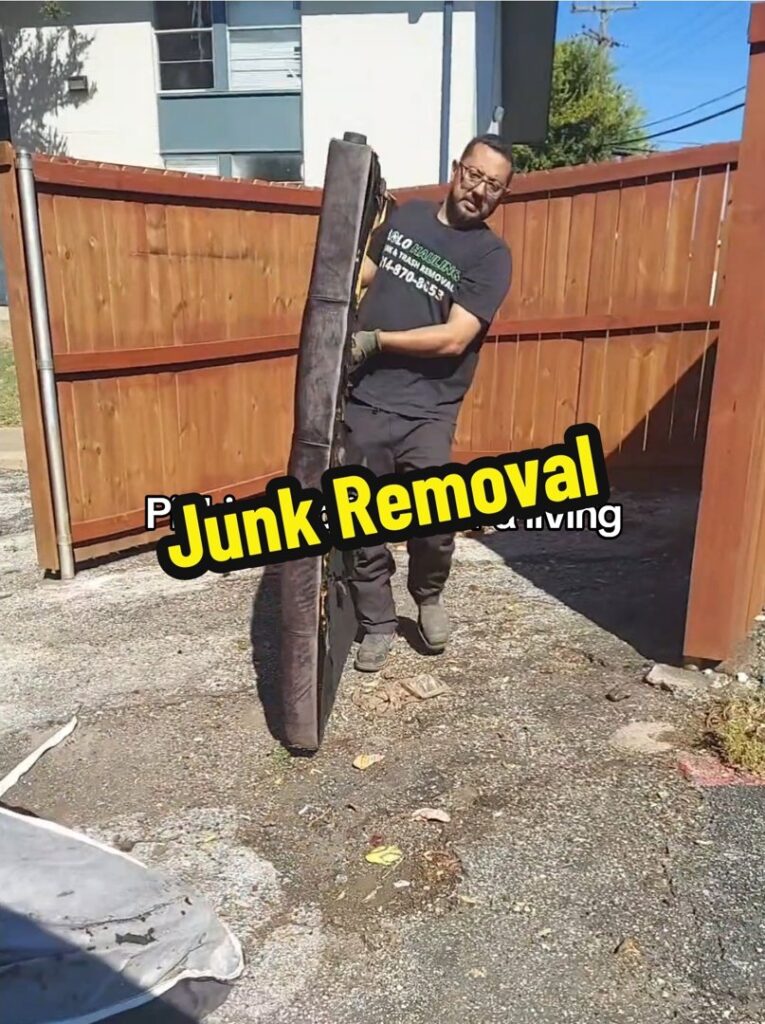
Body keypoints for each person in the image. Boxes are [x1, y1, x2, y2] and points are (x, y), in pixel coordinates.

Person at [344, 133, 514, 672]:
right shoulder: (407, 218)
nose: (479, 190)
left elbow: (455, 337)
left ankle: (429, 593)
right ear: (457, 168)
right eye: (474, 175)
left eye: (493, 185)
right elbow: (363, 275)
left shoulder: (490, 256)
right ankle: (377, 622)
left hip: (429, 408)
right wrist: (340, 300)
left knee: (434, 519)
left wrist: (377, 340)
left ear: (501, 195)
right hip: (366, 396)